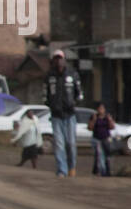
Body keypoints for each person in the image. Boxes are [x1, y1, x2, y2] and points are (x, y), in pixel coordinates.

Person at [44, 48, 83, 177]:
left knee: (71, 143)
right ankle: (62, 170)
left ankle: (72, 167)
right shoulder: (50, 76)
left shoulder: (72, 74)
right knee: (59, 144)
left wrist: (74, 103)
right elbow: (45, 95)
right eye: (56, 58)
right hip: (56, 116)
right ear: (53, 61)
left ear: (64, 59)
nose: (58, 61)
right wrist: (51, 105)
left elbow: (79, 94)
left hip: (70, 115)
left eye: (60, 58)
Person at [89, 101, 114, 176]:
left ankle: (106, 171)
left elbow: (112, 127)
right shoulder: (94, 116)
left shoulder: (107, 117)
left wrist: (110, 119)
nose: (101, 110)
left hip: (106, 139)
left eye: (102, 109)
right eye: (99, 109)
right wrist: (94, 120)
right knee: (99, 155)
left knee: (107, 156)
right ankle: (101, 171)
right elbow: (90, 127)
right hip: (97, 139)